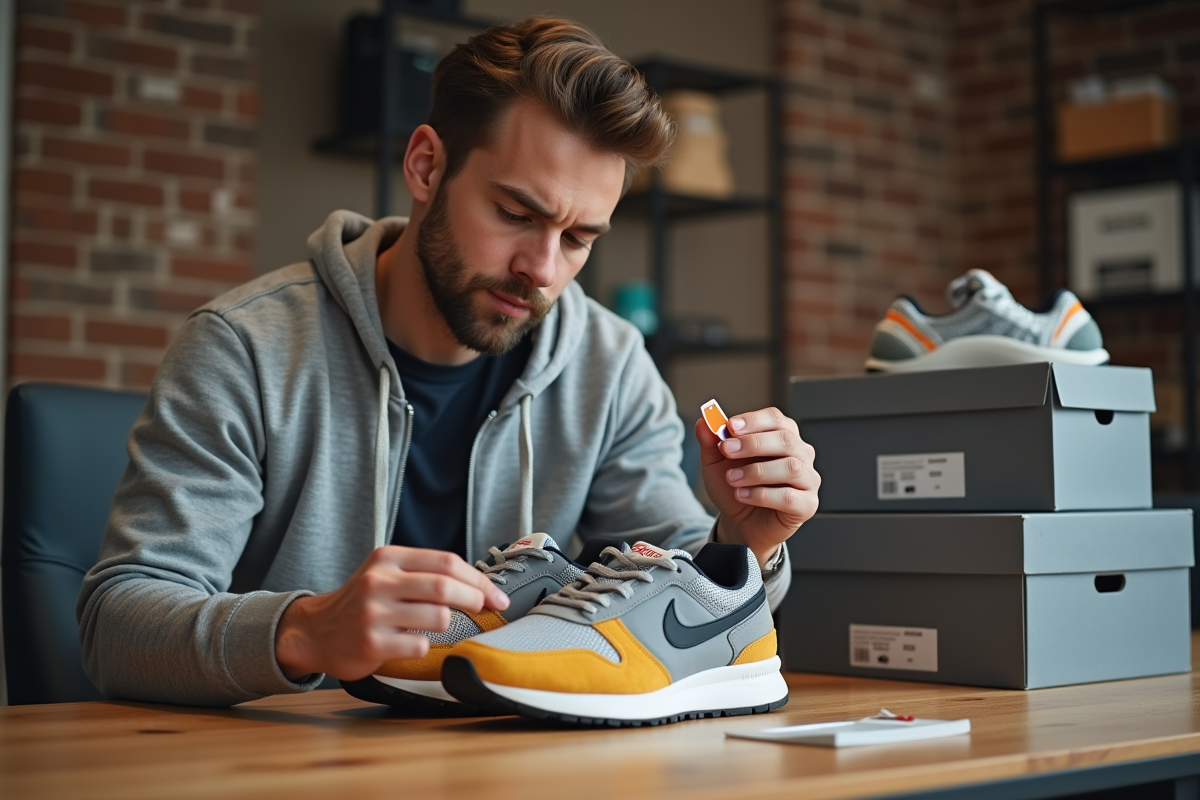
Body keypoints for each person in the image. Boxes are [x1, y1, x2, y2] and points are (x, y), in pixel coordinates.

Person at [77, 16, 820, 707]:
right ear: (428, 166)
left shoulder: (611, 361)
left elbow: (685, 606)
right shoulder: (243, 347)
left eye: (579, 238)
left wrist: (744, 540)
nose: (542, 268)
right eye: (516, 215)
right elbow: (115, 628)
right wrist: (304, 629)